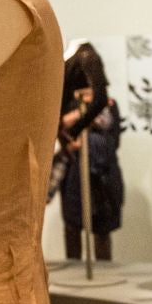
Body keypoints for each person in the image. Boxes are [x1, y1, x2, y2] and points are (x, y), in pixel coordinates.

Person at [60, 97, 124, 261]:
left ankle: (104, 276)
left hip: (103, 176)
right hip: (74, 172)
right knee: (72, 227)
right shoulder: (68, 103)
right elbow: (60, 133)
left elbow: (114, 140)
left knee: (102, 229)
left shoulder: (108, 103)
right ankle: (73, 275)